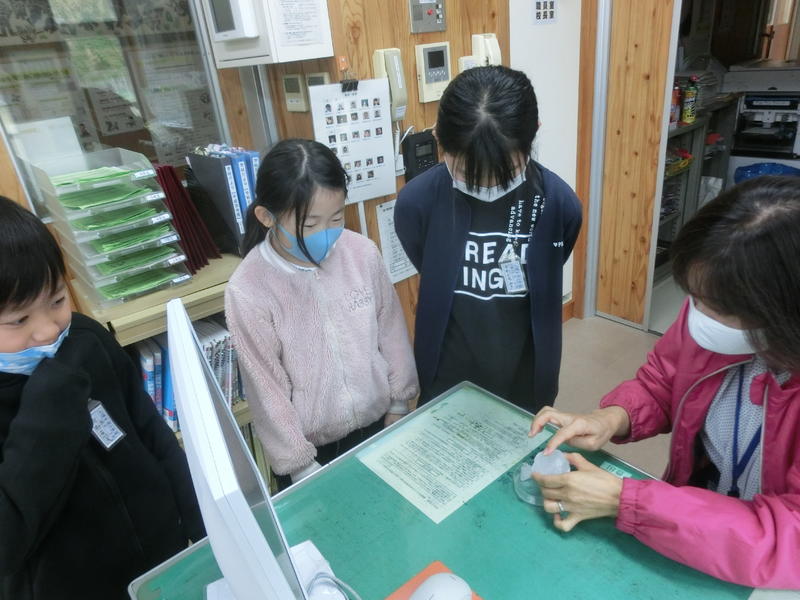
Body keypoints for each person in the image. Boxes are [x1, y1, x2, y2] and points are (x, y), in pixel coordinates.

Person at [528, 176, 800, 589]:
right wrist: (610, 417)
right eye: (694, 296)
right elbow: (663, 382)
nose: (695, 313)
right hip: (694, 520)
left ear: (782, 313)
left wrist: (626, 501)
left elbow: (788, 539)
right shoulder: (711, 319)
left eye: (715, 306)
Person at [0, 197, 204, 600]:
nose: (48, 330)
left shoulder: (86, 339)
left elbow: (152, 434)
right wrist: (49, 409)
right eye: (19, 320)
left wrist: (201, 525)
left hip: (165, 555)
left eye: (57, 300)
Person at [225, 139, 419, 489]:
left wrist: (400, 401)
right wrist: (299, 464)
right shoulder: (249, 289)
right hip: (312, 453)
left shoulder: (361, 253)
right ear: (267, 217)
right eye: (310, 224)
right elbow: (266, 388)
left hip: (380, 423)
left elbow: (391, 330)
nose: (326, 234)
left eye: (336, 218)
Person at [395, 65, 582, 412]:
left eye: (504, 172)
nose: (487, 185)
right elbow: (427, 262)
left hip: (526, 371)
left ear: (534, 134)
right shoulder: (416, 203)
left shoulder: (558, 203)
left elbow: (552, 264)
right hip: (446, 370)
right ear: (439, 140)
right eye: (469, 173)